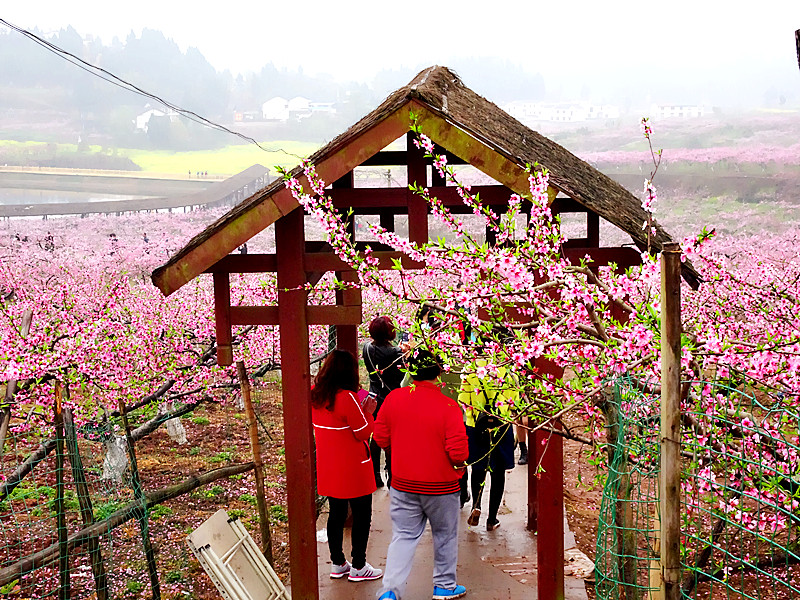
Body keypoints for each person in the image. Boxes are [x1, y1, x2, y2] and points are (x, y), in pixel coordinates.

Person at [374, 348, 469, 600]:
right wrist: (459, 466)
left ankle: (390, 591)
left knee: (403, 536)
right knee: (445, 535)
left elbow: (381, 436)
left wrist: (398, 452)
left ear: (410, 370)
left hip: (403, 482)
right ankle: (444, 586)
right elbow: (458, 451)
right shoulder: (449, 406)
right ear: (438, 372)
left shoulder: (394, 398)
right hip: (442, 486)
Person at [310, 349, 383, 582]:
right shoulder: (348, 398)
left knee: (336, 514)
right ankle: (359, 565)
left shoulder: (316, 395)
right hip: (353, 467)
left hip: (329, 465)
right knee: (362, 514)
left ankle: (338, 562)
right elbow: (363, 432)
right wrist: (368, 412)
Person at [459, 363, 517, 531]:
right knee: (498, 474)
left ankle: (476, 505)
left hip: (476, 426)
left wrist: (473, 414)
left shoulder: (470, 371)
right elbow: (515, 403)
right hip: (501, 426)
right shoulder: (509, 371)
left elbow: (463, 400)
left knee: (478, 469)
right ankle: (492, 519)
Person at [362, 315, 406, 488]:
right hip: (392, 398)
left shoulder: (366, 348)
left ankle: (375, 475)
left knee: (375, 435)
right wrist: (405, 355)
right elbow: (401, 376)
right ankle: (391, 476)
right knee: (391, 436)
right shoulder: (396, 352)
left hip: (374, 395)